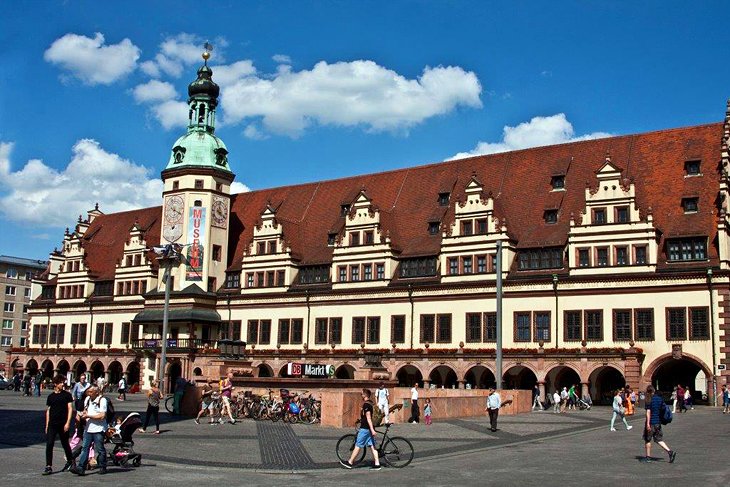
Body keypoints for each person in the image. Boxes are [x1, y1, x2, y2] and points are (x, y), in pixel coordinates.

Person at [340, 388, 381, 470]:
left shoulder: (366, 405)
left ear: (365, 395)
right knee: (372, 446)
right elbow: (366, 417)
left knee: (358, 445)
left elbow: (368, 418)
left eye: (361, 394)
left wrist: (372, 429)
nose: (361, 395)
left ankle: (350, 462)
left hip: (365, 429)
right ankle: (377, 464)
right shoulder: (370, 403)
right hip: (368, 429)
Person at [71, 386, 108, 475]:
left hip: (99, 429)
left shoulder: (102, 400)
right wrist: (83, 414)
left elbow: (102, 415)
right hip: (88, 428)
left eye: (91, 392)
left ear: (96, 392)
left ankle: (103, 466)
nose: (89, 393)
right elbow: (85, 410)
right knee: (85, 448)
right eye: (88, 392)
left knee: (100, 449)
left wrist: (89, 416)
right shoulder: (87, 399)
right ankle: (81, 468)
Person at [43, 375, 75, 475]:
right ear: (56, 384)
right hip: (52, 423)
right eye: (61, 382)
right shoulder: (51, 396)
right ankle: (48, 466)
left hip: (63, 423)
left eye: (63, 382)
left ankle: (70, 461)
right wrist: (47, 424)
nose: (63, 384)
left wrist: (68, 423)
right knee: (49, 444)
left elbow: (70, 409)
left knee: (65, 444)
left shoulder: (67, 395)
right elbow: (48, 410)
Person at [641, 385, 676, 464]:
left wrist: (648, 424)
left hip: (651, 422)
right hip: (658, 422)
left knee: (647, 439)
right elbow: (663, 409)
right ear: (654, 390)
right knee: (658, 439)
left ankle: (648, 457)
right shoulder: (659, 399)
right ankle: (670, 452)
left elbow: (648, 412)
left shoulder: (649, 399)